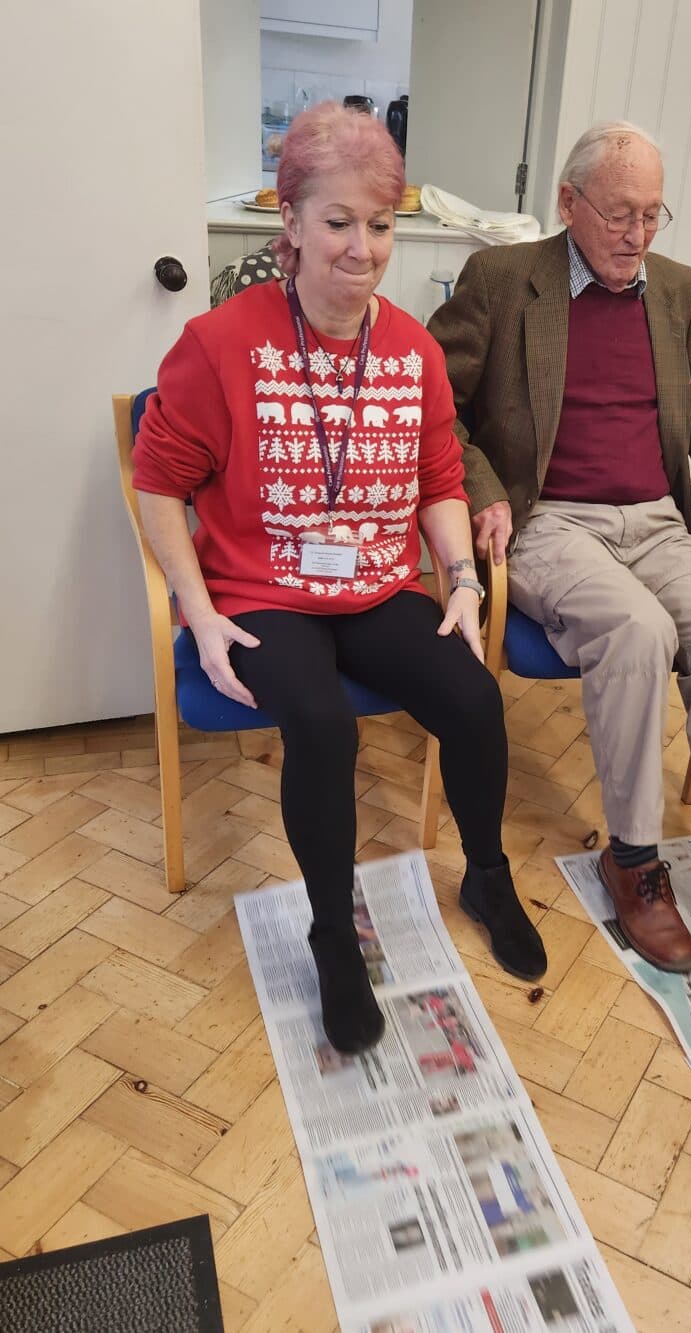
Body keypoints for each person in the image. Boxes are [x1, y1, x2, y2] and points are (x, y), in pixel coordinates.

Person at [133, 102, 546, 1056]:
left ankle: (486, 873)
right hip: (261, 590)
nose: (363, 249)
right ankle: (332, 930)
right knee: (318, 722)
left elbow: (439, 479)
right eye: (339, 223)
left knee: (475, 701)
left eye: (382, 224)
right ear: (290, 223)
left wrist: (463, 579)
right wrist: (195, 613)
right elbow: (158, 485)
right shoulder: (219, 343)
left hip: (376, 583)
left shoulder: (411, 349)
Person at [428, 121, 691, 994]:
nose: (637, 236)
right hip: (552, 519)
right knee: (637, 632)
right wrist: (481, 486)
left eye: (652, 215)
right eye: (618, 215)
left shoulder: (679, 290)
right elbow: (434, 401)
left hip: (658, 521)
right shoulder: (501, 280)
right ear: (568, 204)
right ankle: (633, 861)